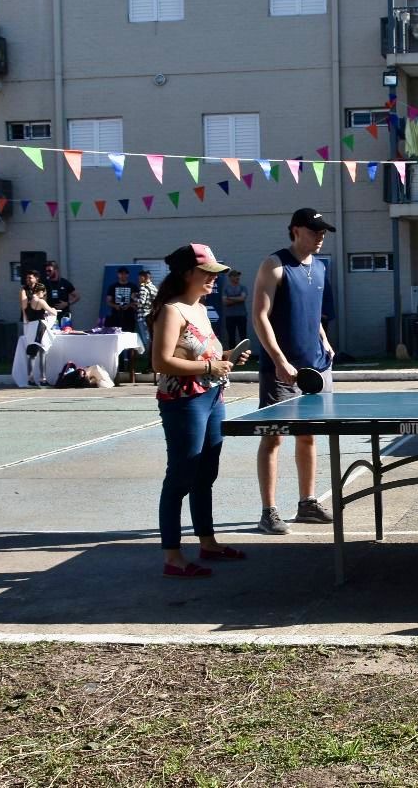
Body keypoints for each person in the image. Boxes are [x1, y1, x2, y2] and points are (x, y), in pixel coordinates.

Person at [150, 243, 251, 578]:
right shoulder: (171, 311)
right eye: (207, 272)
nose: (213, 278)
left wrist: (229, 358)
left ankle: (207, 542)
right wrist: (210, 367)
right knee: (181, 475)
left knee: (205, 473)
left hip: (212, 397)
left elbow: (205, 355)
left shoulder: (201, 308)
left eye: (215, 273)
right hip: (184, 402)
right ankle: (172, 555)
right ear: (186, 273)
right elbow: (160, 362)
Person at [253, 208, 339, 534]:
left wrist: (325, 341)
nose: (321, 236)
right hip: (281, 370)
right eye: (315, 230)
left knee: (308, 435)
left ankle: (307, 503)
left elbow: (313, 314)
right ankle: (269, 511)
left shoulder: (320, 267)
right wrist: (279, 360)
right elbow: (260, 316)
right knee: (273, 437)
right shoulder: (274, 265)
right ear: (295, 230)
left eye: (323, 231)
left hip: (316, 367)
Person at [23, 283, 58, 387]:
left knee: (32, 354)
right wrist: (53, 310)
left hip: (30, 327)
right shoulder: (40, 301)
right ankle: (43, 378)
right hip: (39, 327)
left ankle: (30, 378)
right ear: (41, 292)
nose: (44, 295)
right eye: (44, 293)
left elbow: (28, 315)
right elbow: (53, 312)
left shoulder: (27, 300)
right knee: (43, 351)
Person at [135, 270, 158, 369]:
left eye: (139, 278)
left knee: (147, 340)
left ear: (143, 277)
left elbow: (141, 302)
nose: (139, 280)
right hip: (151, 317)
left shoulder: (143, 287)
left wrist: (134, 298)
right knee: (151, 339)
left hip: (143, 316)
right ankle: (153, 361)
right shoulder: (153, 288)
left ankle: (150, 362)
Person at [105, 266, 139, 332]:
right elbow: (108, 301)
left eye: (125, 274)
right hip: (116, 316)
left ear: (128, 275)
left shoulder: (133, 286)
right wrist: (115, 306)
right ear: (118, 275)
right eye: (121, 274)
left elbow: (137, 301)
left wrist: (129, 305)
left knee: (129, 334)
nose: (123, 275)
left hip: (129, 316)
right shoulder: (113, 286)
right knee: (116, 334)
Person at [221, 269, 249, 348]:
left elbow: (242, 298)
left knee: (243, 336)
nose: (238, 277)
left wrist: (230, 298)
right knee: (231, 336)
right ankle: (232, 354)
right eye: (235, 276)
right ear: (230, 277)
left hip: (241, 315)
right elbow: (225, 302)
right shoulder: (226, 288)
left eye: (238, 276)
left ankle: (244, 353)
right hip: (230, 316)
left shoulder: (243, 287)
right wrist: (237, 299)